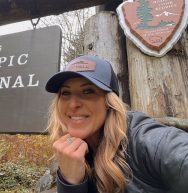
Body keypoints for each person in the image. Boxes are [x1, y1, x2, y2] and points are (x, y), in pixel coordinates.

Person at [45, 55, 188, 193]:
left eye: (88, 91)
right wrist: (71, 183)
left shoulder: (146, 141)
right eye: (65, 93)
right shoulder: (72, 153)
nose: (73, 104)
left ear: (108, 102)